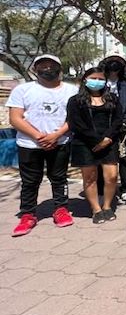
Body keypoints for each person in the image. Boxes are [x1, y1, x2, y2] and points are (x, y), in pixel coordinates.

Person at [8, 55, 78, 236]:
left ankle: (61, 209)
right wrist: (38, 136)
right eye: (43, 66)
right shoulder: (23, 90)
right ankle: (28, 214)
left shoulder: (72, 91)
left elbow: (74, 118)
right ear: (35, 69)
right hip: (29, 144)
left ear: (59, 69)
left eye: (51, 66)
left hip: (60, 142)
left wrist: (56, 135)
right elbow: (15, 118)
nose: (47, 69)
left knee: (59, 178)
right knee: (30, 181)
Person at [66, 67, 124, 224]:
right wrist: (96, 141)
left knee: (111, 176)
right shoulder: (75, 101)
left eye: (100, 79)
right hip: (85, 144)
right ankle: (96, 209)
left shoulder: (112, 98)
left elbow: (118, 119)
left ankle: (107, 206)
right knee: (90, 178)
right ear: (85, 79)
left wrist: (107, 139)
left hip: (109, 143)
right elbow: (75, 124)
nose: (97, 81)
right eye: (93, 78)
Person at [98, 55, 126, 204]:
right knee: (102, 158)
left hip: (124, 128)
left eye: (117, 65)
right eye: (111, 65)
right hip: (102, 127)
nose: (114, 68)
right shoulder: (98, 80)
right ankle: (102, 189)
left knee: (125, 158)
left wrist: (124, 120)